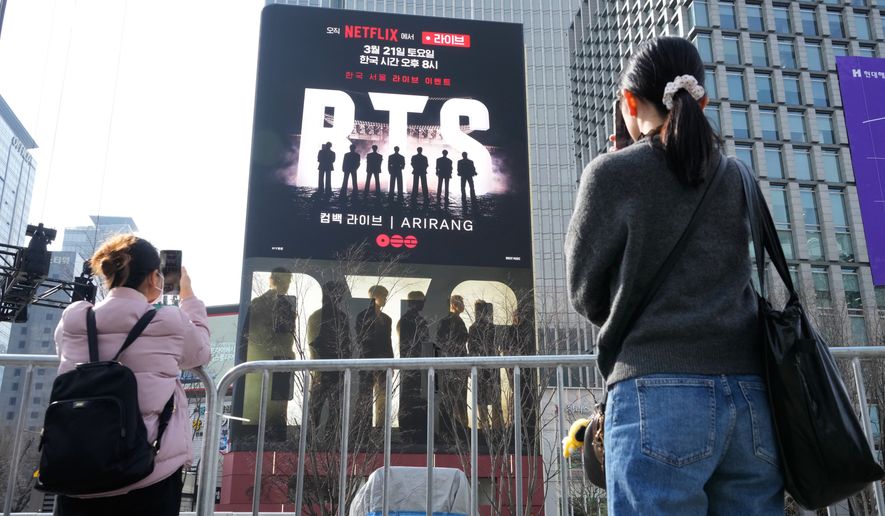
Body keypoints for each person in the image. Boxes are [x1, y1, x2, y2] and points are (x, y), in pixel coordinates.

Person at [564, 36, 783, 514]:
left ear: (629, 102)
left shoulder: (610, 174)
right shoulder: (737, 175)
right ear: (700, 99)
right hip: (751, 395)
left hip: (656, 392)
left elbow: (585, 293)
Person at [54, 235, 211, 516]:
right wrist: (188, 297)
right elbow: (200, 353)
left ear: (109, 275)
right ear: (154, 278)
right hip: (146, 473)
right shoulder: (167, 320)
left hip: (76, 467)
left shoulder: (74, 319)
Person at [240, 268, 298, 442]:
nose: (286, 284)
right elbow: (251, 337)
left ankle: (271, 440)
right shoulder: (264, 303)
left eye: (288, 280)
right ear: (272, 280)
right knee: (270, 410)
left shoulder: (275, 303)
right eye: (284, 280)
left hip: (273, 363)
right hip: (270, 363)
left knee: (275, 410)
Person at [306, 281, 351, 439]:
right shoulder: (322, 317)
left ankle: (318, 441)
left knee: (323, 410)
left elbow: (346, 346)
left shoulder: (321, 317)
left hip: (327, 371)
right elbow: (347, 347)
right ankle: (321, 441)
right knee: (322, 410)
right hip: (327, 371)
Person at [355, 285, 393, 427]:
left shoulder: (386, 319)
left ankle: (380, 428)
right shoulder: (363, 316)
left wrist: (391, 362)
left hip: (383, 363)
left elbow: (388, 341)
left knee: (382, 397)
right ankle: (362, 429)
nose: (385, 299)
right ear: (375, 296)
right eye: (383, 296)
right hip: (367, 361)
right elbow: (360, 339)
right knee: (365, 397)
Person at [396, 291, 431, 438]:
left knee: (412, 394)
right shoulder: (409, 320)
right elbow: (408, 344)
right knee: (409, 394)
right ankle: (408, 428)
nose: (422, 304)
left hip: (415, 363)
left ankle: (411, 428)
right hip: (411, 363)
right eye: (420, 301)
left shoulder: (413, 319)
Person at [436, 295, 468, 436]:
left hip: (460, 365)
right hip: (451, 365)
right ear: (453, 305)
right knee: (452, 397)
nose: (462, 305)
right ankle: (453, 428)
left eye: (462, 302)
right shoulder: (446, 321)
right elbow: (440, 342)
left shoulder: (459, 321)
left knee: (461, 397)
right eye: (459, 302)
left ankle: (462, 427)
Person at [467, 301, 500, 430]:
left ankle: (486, 424)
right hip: (490, 366)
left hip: (481, 366)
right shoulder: (490, 327)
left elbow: (471, 348)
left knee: (483, 397)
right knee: (489, 396)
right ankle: (494, 425)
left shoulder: (475, 328)